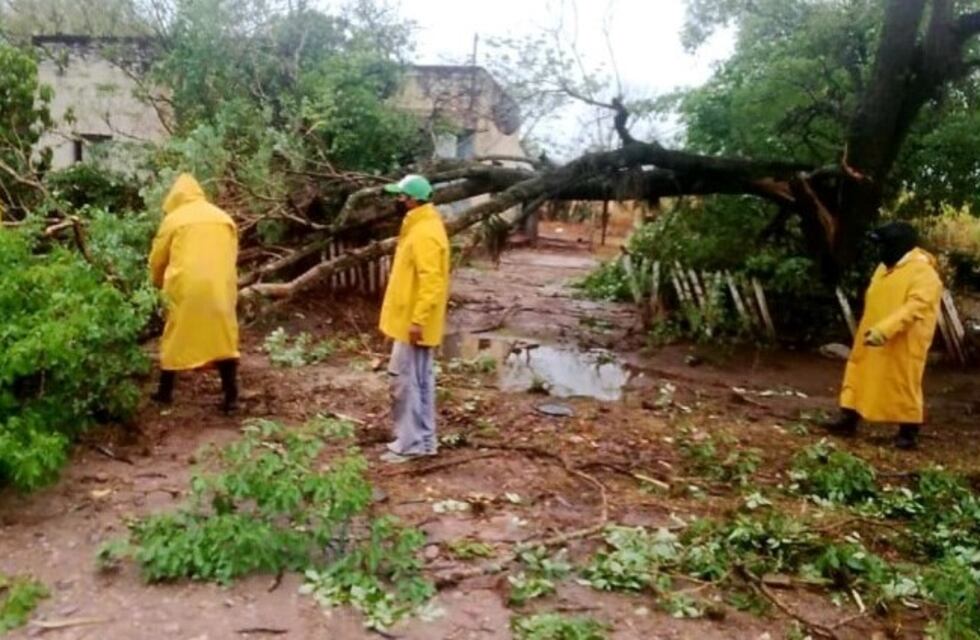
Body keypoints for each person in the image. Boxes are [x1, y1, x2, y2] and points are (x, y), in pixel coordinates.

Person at [825, 221, 943, 450]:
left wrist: (885, 329)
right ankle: (849, 418)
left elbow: (915, 307)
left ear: (898, 246)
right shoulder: (883, 268)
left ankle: (908, 432)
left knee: (903, 382)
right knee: (859, 373)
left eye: (884, 245)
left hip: (903, 341)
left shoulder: (924, 273)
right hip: (871, 335)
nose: (879, 251)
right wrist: (873, 330)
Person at [148, 173, 240, 413]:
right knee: (223, 337)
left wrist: (155, 285)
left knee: (175, 334)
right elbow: (231, 256)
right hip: (220, 287)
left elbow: (158, 259)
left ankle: (164, 393)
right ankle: (231, 397)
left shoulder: (173, 220)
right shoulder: (224, 218)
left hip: (185, 288)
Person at [378, 174, 450, 463]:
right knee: (418, 381)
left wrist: (418, 320)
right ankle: (424, 442)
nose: (396, 200)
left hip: (414, 324)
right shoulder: (421, 226)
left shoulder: (425, 233)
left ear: (412, 200)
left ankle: (411, 445)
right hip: (410, 322)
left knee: (406, 383)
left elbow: (431, 282)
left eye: (400, 196)